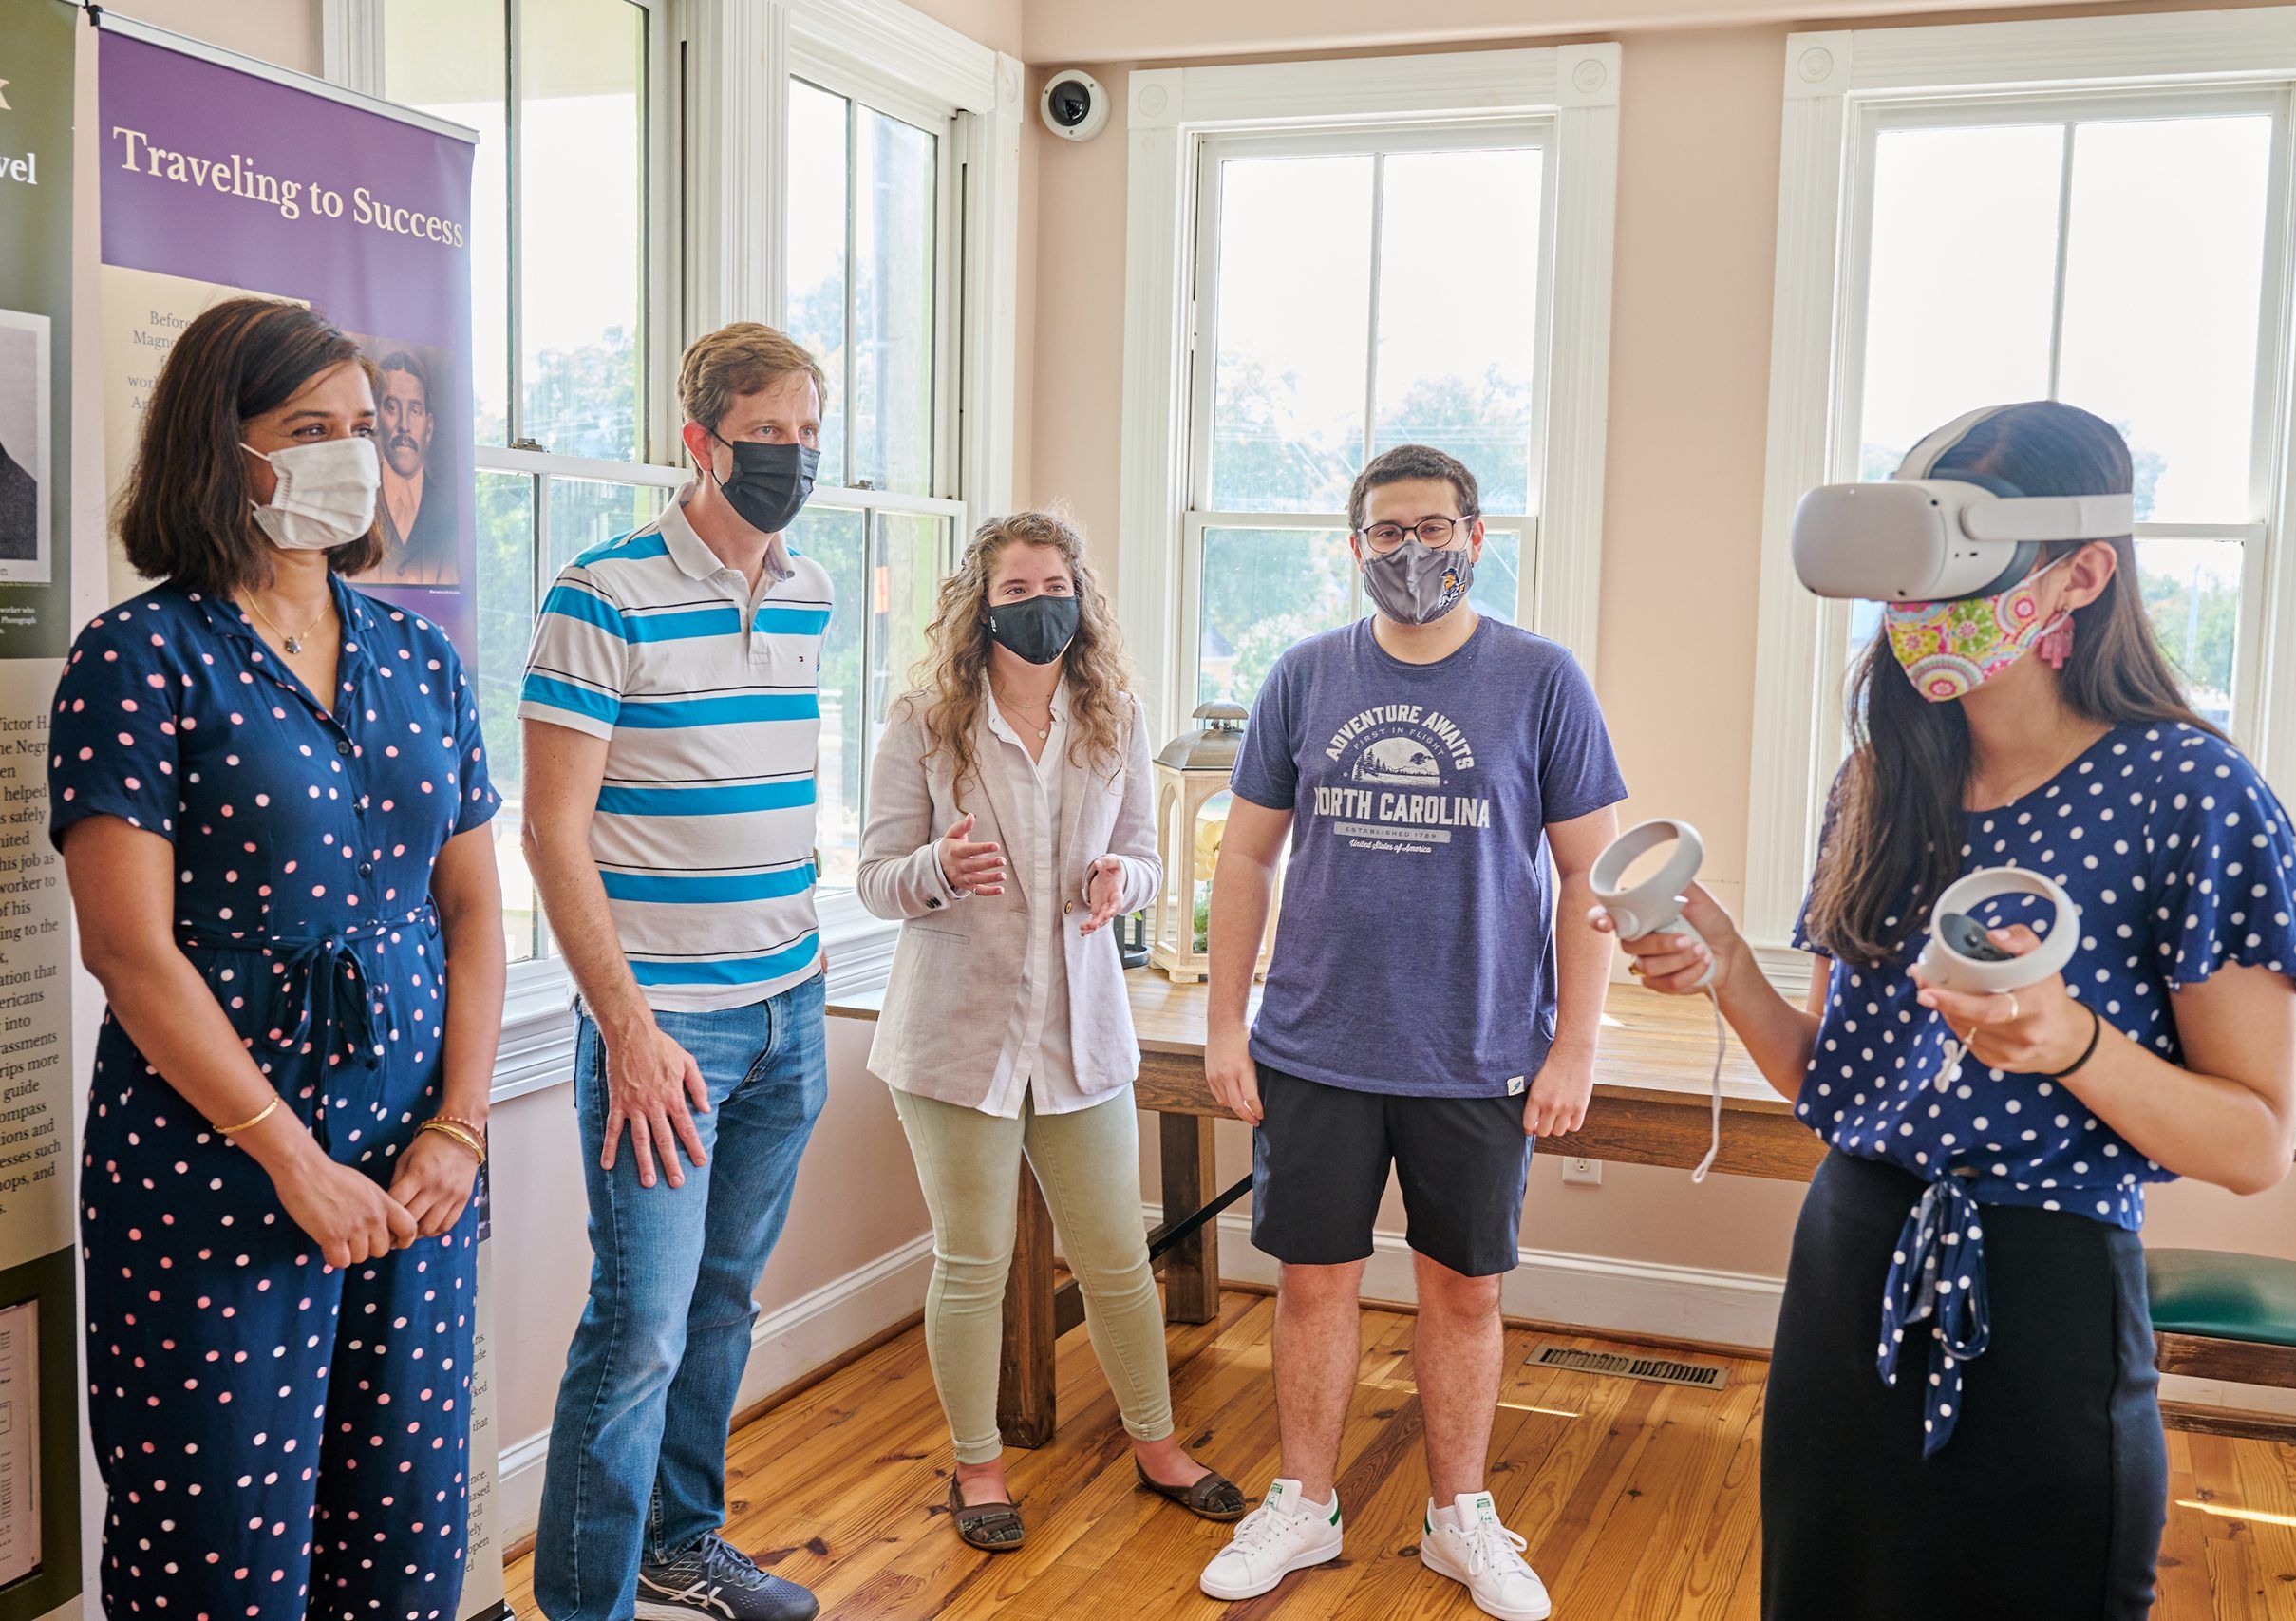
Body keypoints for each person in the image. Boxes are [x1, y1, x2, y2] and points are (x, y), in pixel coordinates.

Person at [1609, 402, 2296, 1620]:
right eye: (1899, 580)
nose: (1915, 615)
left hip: (2043, 1293)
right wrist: (1725, 964)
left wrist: (2072, 1044)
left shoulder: (2194, 794)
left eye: (1955, 575)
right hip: (1847, 1267)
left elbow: (2253, 1145)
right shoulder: (1883, 775)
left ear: (2082, 572)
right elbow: (1833, 1089)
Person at [52, 296, 503, 1621]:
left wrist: (462, 1127)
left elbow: (472, 908)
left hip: (421, 1159)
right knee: (219, 1559)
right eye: (311, 427)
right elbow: (128, 950)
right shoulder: (139, 658)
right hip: (215, 1167)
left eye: (364, 427)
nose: (353, 454)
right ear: (222, 445)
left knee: (406, 1531)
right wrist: (290, 1157)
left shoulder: (421, 653)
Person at [1197, 443, 1625, 1619]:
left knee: (1464, 1293)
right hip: (1316, 1041)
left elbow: (1591, 871)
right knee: (1312, 1284)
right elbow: (1243, 853)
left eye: (1433, 528)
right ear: (1355, 548)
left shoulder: (1540, 678)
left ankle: (1458, 1516)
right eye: (1387, 532)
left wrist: (1575, 1043)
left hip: (1479, 1049)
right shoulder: (1304, 675)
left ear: (1477, 538)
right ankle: (1305, 1502)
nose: (1411, 551)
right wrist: (1224, 1024)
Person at [857, 510, 1247, 1552]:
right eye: (1017, 591)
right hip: (953, 1037)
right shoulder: (923, 724)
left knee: (1118, 1254)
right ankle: (977, 1469)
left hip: (1081, 1032)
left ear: (1082, 596)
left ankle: (1156, 1445)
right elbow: (872, 881)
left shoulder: (1112, 714)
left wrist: (1130, 879)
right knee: (974, 1260)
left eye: (1054, 587)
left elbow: (1145, 856)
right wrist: (937, 870)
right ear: (979, 606)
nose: (1041, 608)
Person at [522, 321, 834, 1621]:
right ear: (699, 441)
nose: (794, 460)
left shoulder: (811, 588)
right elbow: (551, 831)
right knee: (638, 1325)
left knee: (719, 1305)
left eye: (811, 438)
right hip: (664, 1029)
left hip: (790, 1009)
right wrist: (630, 1028)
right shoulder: (602, 592)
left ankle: (679, 1546)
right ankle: (584, 1601)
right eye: (769, 436)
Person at [371, 349, 456, 583]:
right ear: (376, 419)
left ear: (429, 427)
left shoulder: (449, 510)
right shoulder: (357, 504)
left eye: (415, 410)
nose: (404, 426)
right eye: (392, 408)